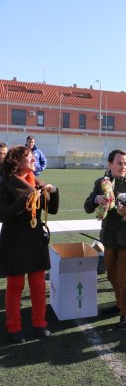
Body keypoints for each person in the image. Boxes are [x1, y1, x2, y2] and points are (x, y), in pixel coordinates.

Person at [84, 149, 126, 330]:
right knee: (111, 275)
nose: (123, 167)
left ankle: (125, 314)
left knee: (125, 278)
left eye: (125, 163)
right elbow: (87, 206)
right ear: (110, 164)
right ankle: (120, 303)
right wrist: (96, 199)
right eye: (119, 163)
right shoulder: (101, 183)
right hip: (108, 237)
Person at [0, 146, 59, 343]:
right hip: (15, 241)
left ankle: (39, 324)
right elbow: (3, 214)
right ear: (17, 162)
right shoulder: (5, 182)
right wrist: (24, 201)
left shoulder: (37, 181)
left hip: (35, 240)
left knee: (38, 285)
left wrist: (54, 191)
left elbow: (53, 209)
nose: (34, 159)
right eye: (29, 157)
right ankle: (14, 327)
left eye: (33, 156)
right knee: (15, 285)